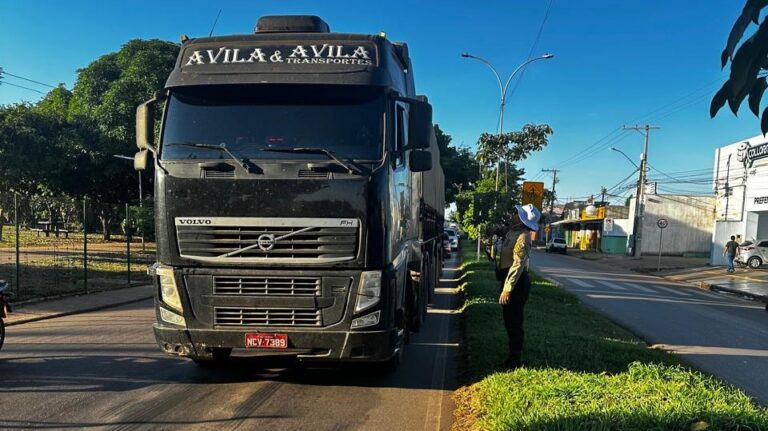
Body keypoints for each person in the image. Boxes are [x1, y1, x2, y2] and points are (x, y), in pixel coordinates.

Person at [497, 203, 541, 369]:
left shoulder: (523, 237)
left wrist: (508, 288)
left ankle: (515, 358)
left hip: (517, 283)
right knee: (508, 320)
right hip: (508, 279)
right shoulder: (512, 231)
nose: (513, 214)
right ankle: (511, 355)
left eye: (516, 213)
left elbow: (518, 264)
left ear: (522, 219)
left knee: (514, 320)